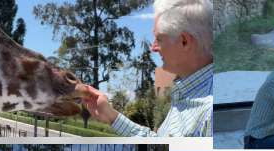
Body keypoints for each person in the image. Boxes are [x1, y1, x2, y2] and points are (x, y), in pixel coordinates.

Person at [80, 0, 213, 137]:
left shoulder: (210, 111)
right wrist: (111, 116)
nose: (153, 48)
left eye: (159, 39)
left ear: (184, 41)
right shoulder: (188, 95)